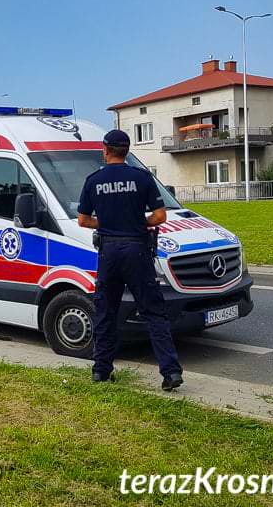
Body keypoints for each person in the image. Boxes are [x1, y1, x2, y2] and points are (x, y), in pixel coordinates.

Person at [76, 129, 184, 391]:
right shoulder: (142, 178)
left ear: (105, 150)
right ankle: (170, 373)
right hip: (137, 250)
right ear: (126, 151)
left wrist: (108, 223)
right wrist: (137, 222)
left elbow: (82, 220)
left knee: (106, 313)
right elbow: (160, 217)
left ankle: (101, 370)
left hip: (109, 253)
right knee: (154, 312)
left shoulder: (94, 180)